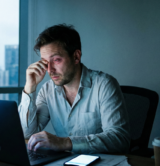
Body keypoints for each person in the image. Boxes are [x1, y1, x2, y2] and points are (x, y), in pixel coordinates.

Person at [18, 24, 130, 154]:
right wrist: (29, 88)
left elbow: (120, 139)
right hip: (65, 162)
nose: (50, 70)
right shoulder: (47, 90)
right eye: (45, 62)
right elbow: (27, 134)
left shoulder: (104, 85)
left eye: (56, 60)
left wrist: (64, 143)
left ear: (76, 56)